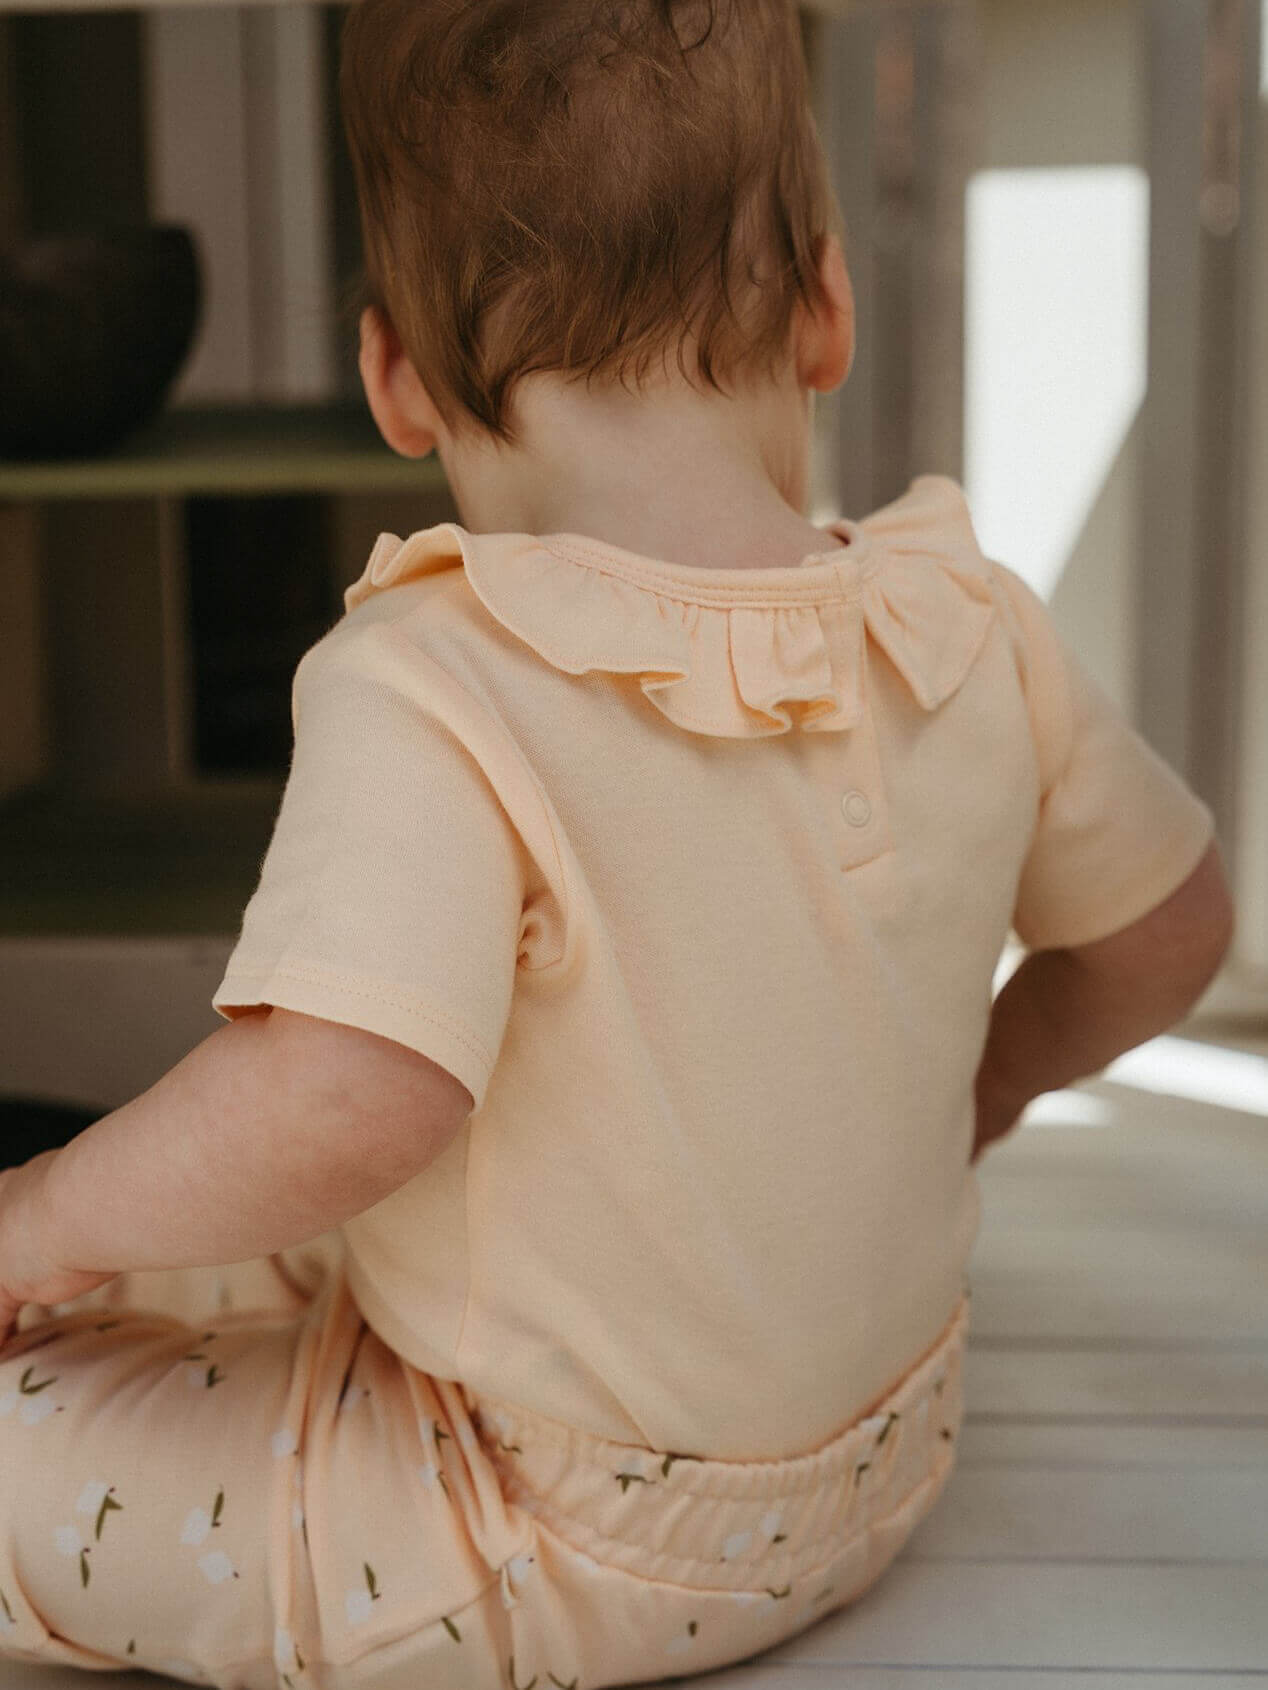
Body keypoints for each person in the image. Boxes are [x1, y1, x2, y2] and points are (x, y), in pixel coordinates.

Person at [0, 2, 1235, 1686]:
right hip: (879, 1457)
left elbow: (350, 1095)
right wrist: (985, 1089)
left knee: (42, 1410)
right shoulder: (969, 621)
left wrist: (51, 1213)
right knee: (264, 1221)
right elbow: (1173, 930)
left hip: (518, 1517)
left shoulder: (435, 673)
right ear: (825, 305)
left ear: (393, 376)